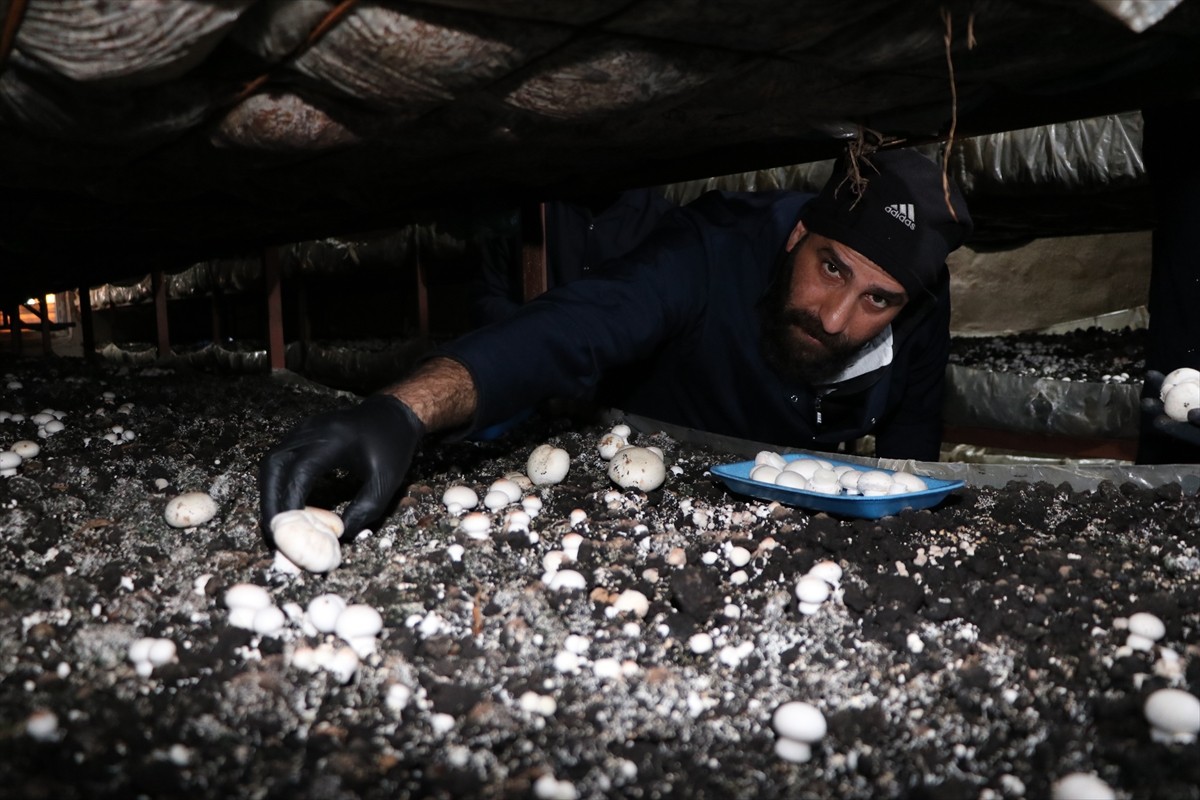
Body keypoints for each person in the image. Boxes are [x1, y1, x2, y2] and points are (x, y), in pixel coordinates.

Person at [260, 147, 973, 537]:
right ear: (796, 236)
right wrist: (404, 410)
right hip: (676, 467)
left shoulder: (916, 308)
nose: (836, 318)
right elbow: (573, 328)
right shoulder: (711, 248)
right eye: (829, 269)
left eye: (876, 300)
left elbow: (909, 450)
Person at [471, 188, 677, 327]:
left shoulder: (660, 220)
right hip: (534, 368)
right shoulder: (524, 208)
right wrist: (539, 329)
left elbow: (666, 317)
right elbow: (488, 298)